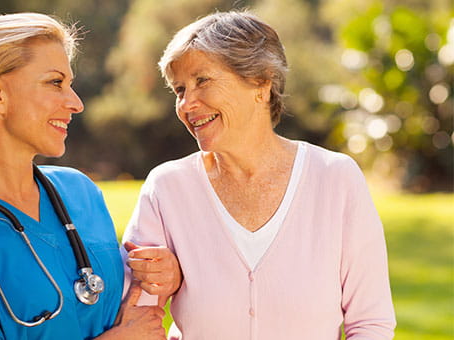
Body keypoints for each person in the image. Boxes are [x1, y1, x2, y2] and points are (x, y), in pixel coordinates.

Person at [122, 10, 397, 340]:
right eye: (179, 89)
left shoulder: (335, 179)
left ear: (261, 83)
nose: (186, 104)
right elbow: (136, 315)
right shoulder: (166, 188)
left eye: (202, 81)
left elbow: (371, 324)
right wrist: (165, 282)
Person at [0, 12, 170, 339]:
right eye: (55, 83)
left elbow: (124, 306)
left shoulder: (80, 192)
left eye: (70, 84)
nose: (76, 103)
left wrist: (163, 276)